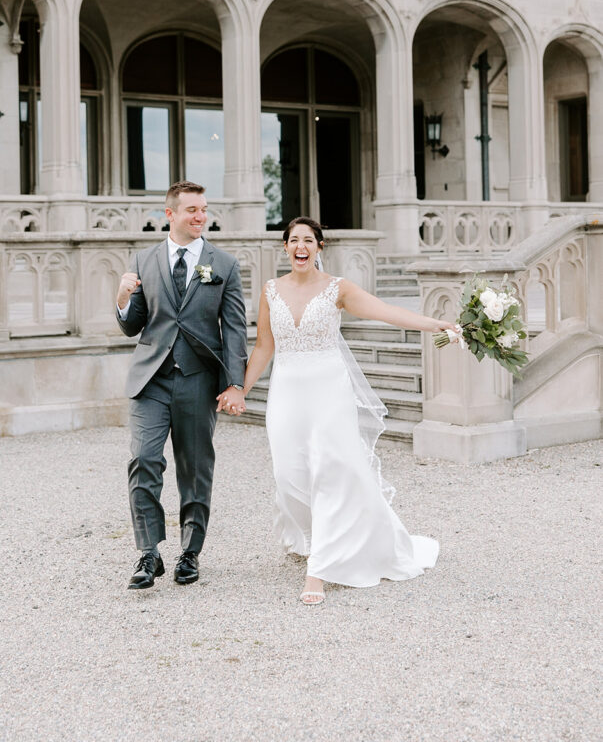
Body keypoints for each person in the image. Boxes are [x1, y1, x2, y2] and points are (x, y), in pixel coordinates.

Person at [217, 216, 456, 606]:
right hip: (287, 390)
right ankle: (328, 536)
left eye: (308, 240)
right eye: (293, 240)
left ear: (319, 247)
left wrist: (434, 324)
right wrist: (239, 389)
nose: (301, 246)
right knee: (288, 473)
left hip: (329, 388)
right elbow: (263, 347)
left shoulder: (337, 289)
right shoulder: (270, 290)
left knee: (329, 471)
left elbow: (384, 311)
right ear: (285, 248)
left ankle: (320, 569)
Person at [116, 181, 248, 590]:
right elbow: (133, 325)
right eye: (191, 209)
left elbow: (237, 329)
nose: (200, 216)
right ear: (169, 214)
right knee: (144, 460)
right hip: (150, 379)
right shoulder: (144, 258)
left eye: (203, 209)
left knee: (195, 468)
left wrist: (236, 384)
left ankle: (190, 552)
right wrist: (122, 298)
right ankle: (149, 552)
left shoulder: (222, 264)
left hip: (197, 380)